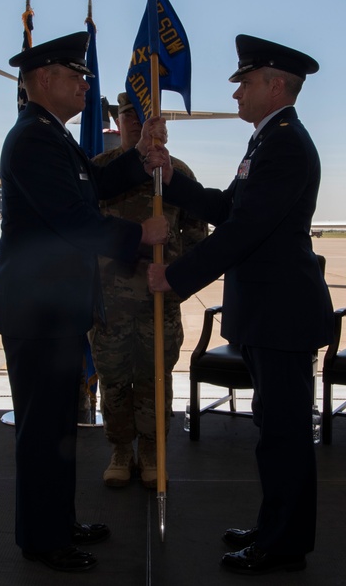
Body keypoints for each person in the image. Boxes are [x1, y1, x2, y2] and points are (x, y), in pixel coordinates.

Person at [0, 31, 170, 573]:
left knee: (59, 429)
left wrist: (138, 157)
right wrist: (139, 235)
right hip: (38, 312)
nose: (87, 85)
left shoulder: (50, 136)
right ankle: (43, 539)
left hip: (51, 309)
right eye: (78, 76)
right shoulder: (35, 140)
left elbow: (92, 180)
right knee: (44, 431)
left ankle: (57, 521)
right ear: (45, 79)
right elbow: (72, 218)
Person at [147, 35, 333, 576]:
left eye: (245, 83)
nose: (236, 94)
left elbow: (247, 229)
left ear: (276, 86)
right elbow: (228, 207)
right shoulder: (265, 141)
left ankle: (284, 545)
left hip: (282, 315)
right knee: (272, 431)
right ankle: (274, 526)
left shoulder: (286, 144)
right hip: (265, 313)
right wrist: (172, 178)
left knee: (284, 435)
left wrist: (176, 277)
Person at [89, 92, 209, 489]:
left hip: (159, 302)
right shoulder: (100, 172)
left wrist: (178, 282)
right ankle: (121, 450)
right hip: (110, 306)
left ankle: (155, 452)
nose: (137, 122)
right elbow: (79, 233)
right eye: (128, 115)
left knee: (156, 380)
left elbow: (197, 237)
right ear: (117, 121)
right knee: (115, 381)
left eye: (146, 116)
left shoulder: (175, 172)